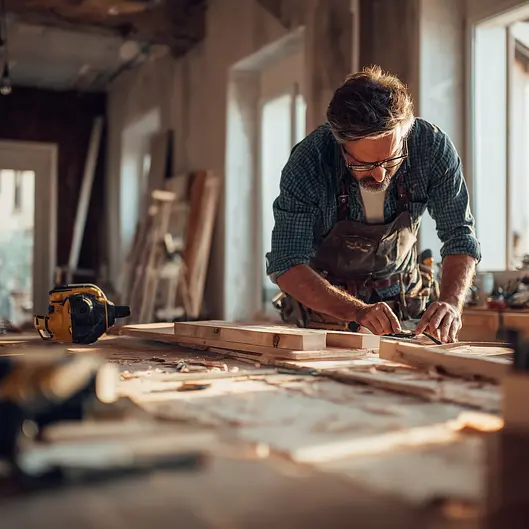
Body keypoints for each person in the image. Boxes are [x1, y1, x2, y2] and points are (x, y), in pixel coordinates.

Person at [266, 65, 481, 343]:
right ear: (340, 144)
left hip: (405, 303)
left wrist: (451, 302)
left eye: (391, 159)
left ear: (405, 134)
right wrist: (357, 310)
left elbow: (460, 237)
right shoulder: (309, 161)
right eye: (364, 164)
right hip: (329, 313)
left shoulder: (432, 148)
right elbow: (287, 262)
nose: (379, 174)